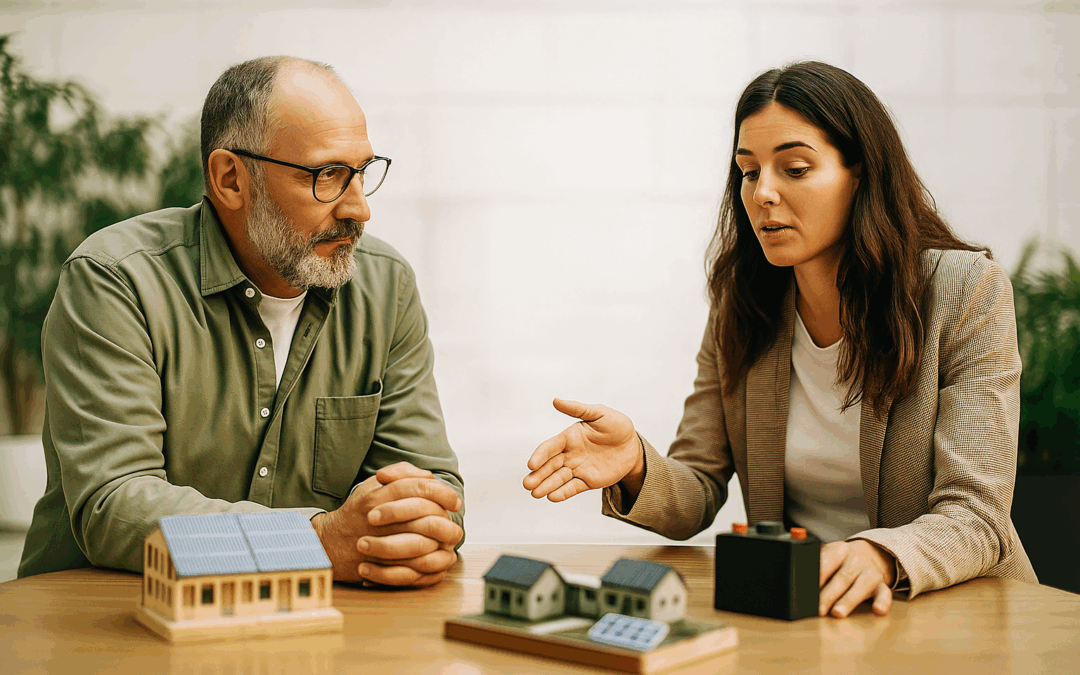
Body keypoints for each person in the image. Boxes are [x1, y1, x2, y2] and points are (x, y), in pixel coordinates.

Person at [523, 61, 1038, 618]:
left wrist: (880, 555)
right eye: (748, 172)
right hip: (802, 611)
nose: (763, 193)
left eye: (794, 169)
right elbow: (696, 491)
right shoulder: (742, 304)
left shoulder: (963, 292)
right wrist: (634, 464)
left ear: (860, 172)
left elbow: (977, 514)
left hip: (953, 612)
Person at [19, 56, 464, 588]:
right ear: (231, 178)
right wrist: (316, 542)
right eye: (328, 175)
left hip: (313, 627)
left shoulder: (385, 286)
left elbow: (433, 489)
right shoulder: (116, 280)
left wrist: (417, 526)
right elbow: (115, 507)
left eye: (363, 173)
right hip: (105, 624)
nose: (359, 209)